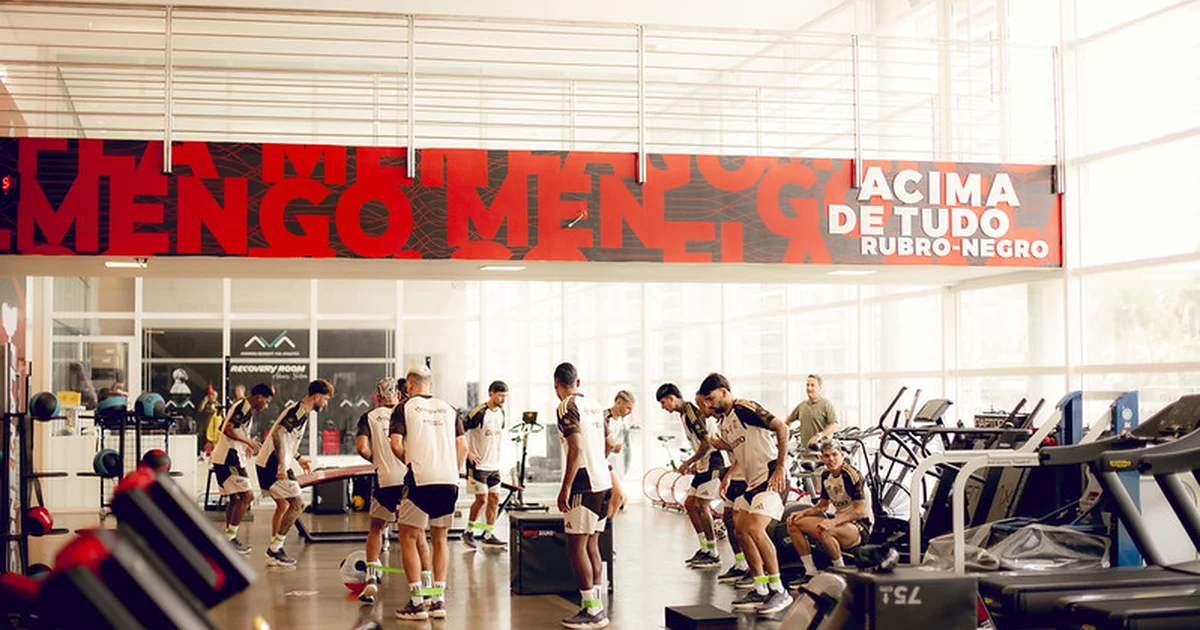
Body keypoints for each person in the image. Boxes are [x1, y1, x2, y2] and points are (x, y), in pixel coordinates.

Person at [701, 372, 792, 616]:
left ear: (723, 392)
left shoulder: (743, 407)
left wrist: (781, 466)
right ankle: (761, 589)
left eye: (710, 398)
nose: (708, 405)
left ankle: (779, 590)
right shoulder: (725, 421)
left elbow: (781, 427)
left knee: (754, 528)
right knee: (739, 528)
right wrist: (729, 473)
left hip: (772, 476)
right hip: (752, 482)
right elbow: (742, 450)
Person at [390, 366, 467, 621]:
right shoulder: (449, 408)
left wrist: (409, 461)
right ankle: (438, 601)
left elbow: (395, 444)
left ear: (409, 386)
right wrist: (453, 472)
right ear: (429, 385)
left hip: (420, 480)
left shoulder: (404, 407)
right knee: (440, 540)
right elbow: (463, 447)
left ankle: (416, 603)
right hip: (449, 481)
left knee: (409, 538)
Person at [554, 362, 612, 629]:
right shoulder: (596, 405)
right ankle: (597, 608)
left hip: (583, 483)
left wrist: (565, 487)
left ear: (557, 385)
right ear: (578, 381)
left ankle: (591, 612)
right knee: (592, 546)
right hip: (603, 482)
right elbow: (608, 444)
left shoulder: (566, 406)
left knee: (576, 547)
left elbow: (575, 450)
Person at [254, 378, 334, 567]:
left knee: (284, 505)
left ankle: (275, 547)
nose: (326, 404)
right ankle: (274, 550)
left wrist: (298, 458)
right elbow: (277, 434)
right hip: (271, 465)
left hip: (274, 463)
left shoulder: (300, 412)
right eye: (326, 399)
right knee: (298, 504)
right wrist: (282, 465)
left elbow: (287, 438)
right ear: (317, 396)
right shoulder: (298, 411)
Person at [785, 437, 873, 588]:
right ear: (821, 458)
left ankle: (842, 573)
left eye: (834, 454)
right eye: (826, 456)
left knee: (826, 530)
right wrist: (803, 513)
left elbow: (860, 512)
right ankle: (811, 572)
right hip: (840, 523)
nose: (831, 459)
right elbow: (822, 506)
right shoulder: (826, 475)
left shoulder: (852, 475)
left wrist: (833, 522)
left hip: (859, 527)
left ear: (842, 455)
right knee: (792, 523)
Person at [656, 383, 725, 569]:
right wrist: (695, 462)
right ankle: (705, 548)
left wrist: (688, 462)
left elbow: (705, 444)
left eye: (663, 403)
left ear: (672, 398)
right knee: (689, 504)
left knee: (701, 505)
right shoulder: (684, 414)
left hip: (713, 462)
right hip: (704, 463)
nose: (664, 407)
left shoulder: (691, 413)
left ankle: (714, 553)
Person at [355, 378, 405, 604]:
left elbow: (361, 447)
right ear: (398, 394)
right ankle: (423, 587)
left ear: (377, 396)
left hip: (385, 479)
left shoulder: (369, 417)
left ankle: (371, 577)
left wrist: (376, 460)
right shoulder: (406, 413)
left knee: (376, 527)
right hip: (408, 479)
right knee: (413, 534)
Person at [211, 383, 272, 554]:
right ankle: (230, 539)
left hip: (229, 457)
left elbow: (223, 426)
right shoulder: (244, 407)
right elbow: (227, 429)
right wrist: (248, 442)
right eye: (266, 402)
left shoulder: (242, 407)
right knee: (247, 496)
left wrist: (245, 442)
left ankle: (229, 538)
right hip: (229, 459)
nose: (266, 406)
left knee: (236, 499)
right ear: (259, 397)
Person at [462, 380, 509, 550]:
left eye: (505, 396)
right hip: (478, 466)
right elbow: (459, 429)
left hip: (493, 465)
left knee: (495, 499)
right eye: (500, 395)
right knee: (481, 499)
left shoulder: (501, 413)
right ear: (491, 393)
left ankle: (488, 534)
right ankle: (468, 531)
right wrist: (468, 453)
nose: (503, 399)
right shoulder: (479, 412)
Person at [786, 375, 839, 450]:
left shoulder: (826, 404)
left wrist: (819, 435)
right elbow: (788, 421)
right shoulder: (802, 405)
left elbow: (834, 425)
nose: (809, 388)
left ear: (819, 387)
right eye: (807, 385)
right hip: (805, 452)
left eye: (812, 385)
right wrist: (785, 437)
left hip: (822, 452)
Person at [604, 391, 635, 479]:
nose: (630, 412)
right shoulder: (603, 418)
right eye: (628, 408)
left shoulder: (622, 422)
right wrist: (613, 448)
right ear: (618, 402)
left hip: (615, 467)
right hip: (604, 467)